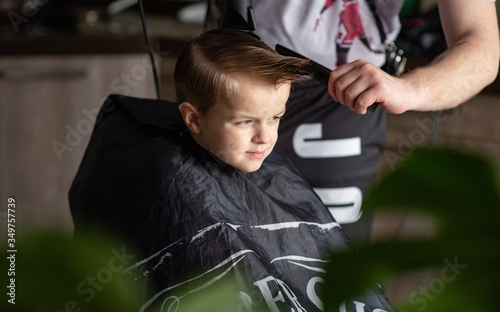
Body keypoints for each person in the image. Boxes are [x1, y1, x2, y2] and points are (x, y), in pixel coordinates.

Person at [69, 29, 394, 311]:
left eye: (275, 117)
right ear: (193, 119)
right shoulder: (173, 185)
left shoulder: (268, 167)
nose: (265, 137)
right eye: (244, 121)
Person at [206, 0, 500, 243]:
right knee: (214, 243)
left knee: (323, 259)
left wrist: (409, 89)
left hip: (340, 97)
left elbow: (481, 48)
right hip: (235, 81)